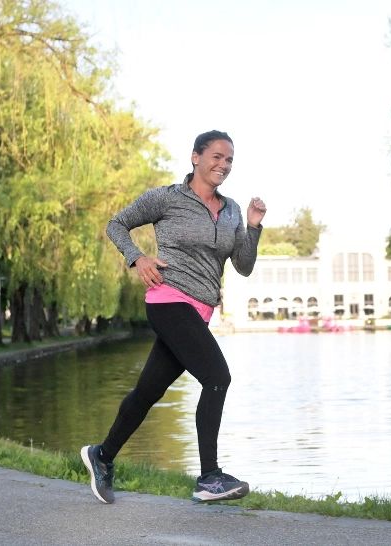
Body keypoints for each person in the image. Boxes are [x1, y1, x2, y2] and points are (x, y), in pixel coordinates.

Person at [81, 130, 265, 504]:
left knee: (149, 391)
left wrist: (254, 226)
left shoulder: (231, 210)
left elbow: (243, 266)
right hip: (168, 300)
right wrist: (138, 258)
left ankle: (102, 455)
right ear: (196, 157)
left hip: (200, 310)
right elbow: (116, 224)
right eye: (217, 156)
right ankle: (209, 477)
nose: (224, 165)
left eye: (229, 159)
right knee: (217, 377)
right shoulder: (167, 198)